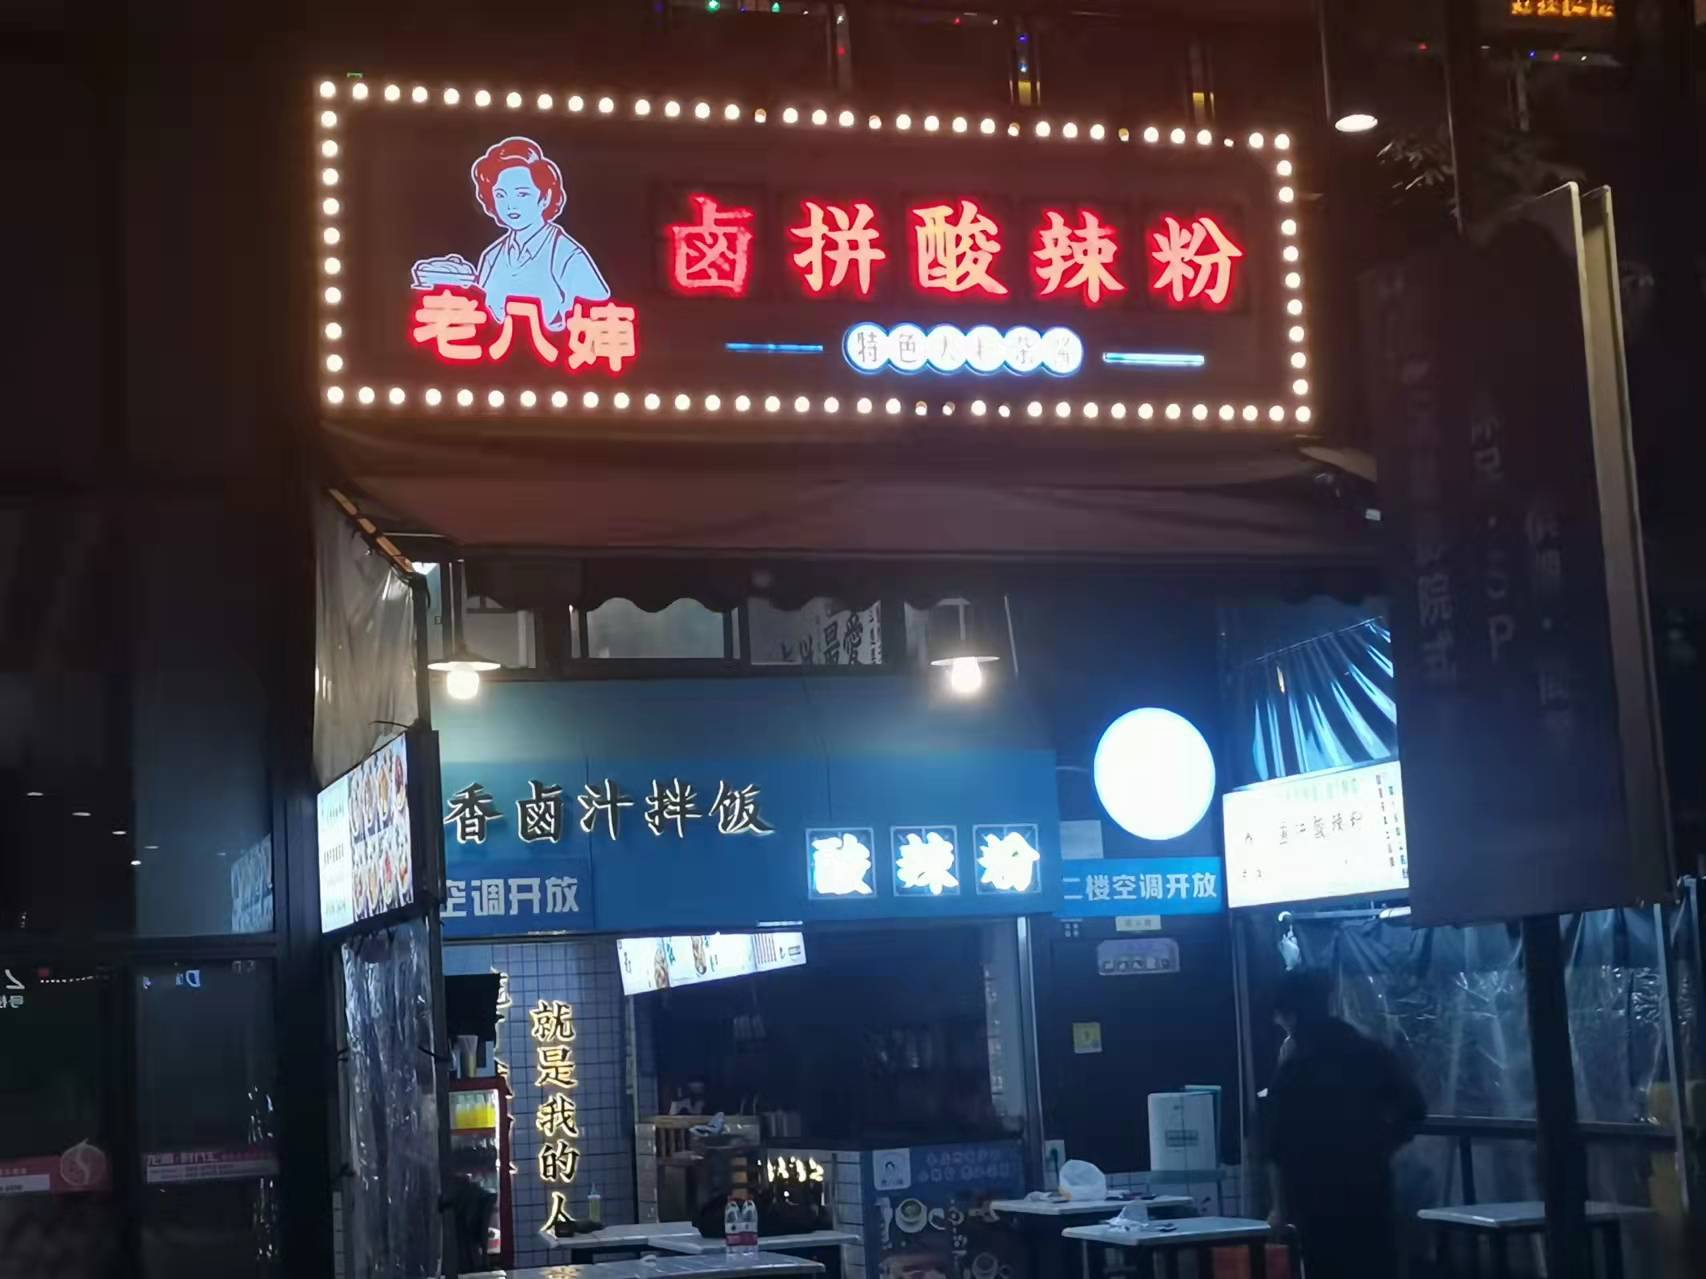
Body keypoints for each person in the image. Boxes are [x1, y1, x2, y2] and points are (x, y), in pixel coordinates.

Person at [1263, 968, 1425, 1279]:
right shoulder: (1368, 1052)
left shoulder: (1294, 1069)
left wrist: (1279, 1208)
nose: (1277, 1023)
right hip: (1371, 1189)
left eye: (1279, 1016)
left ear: (1291, 1015)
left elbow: (1276, 1146)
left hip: (1314, 1198)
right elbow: (1414, 1110)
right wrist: (1382, 1147)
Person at [410, 135, 610, 330]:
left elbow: (600, 318)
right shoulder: (492, 256)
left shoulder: (566, 254)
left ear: (545, 197)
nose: (510, 205)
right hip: (496, 351)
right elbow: (481, 314)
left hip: (550, 351)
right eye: (500, 195)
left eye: (522, 194)